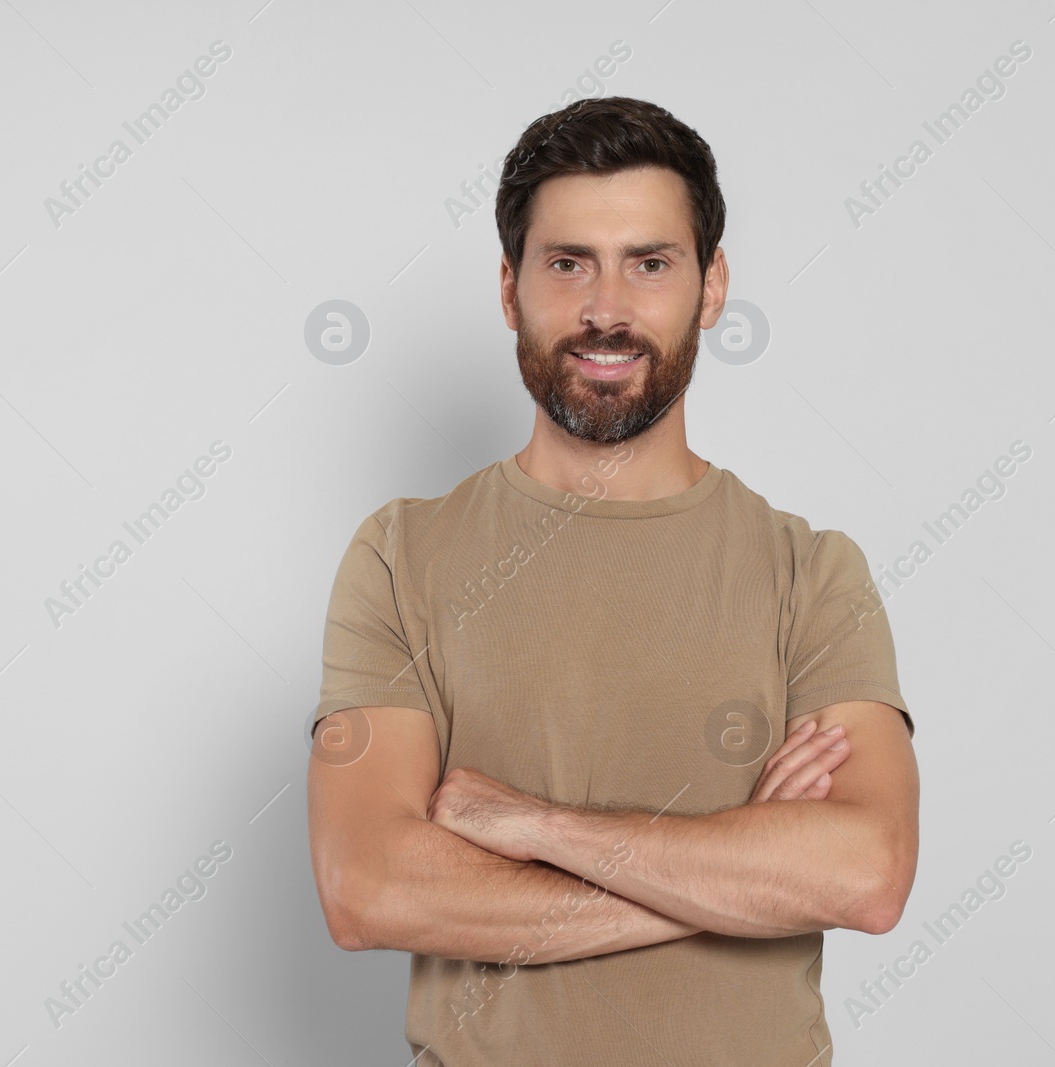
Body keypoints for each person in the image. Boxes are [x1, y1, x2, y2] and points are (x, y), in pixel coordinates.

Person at [307, 95, 919, 1067]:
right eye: (567, 263)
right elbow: (370, 887)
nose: (606, 309)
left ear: (710, 286)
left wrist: (536, 826)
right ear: (509, 289)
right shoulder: (400, 554)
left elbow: (865, 873)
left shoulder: (812, 572)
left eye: (649, 262)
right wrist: (736, 872)